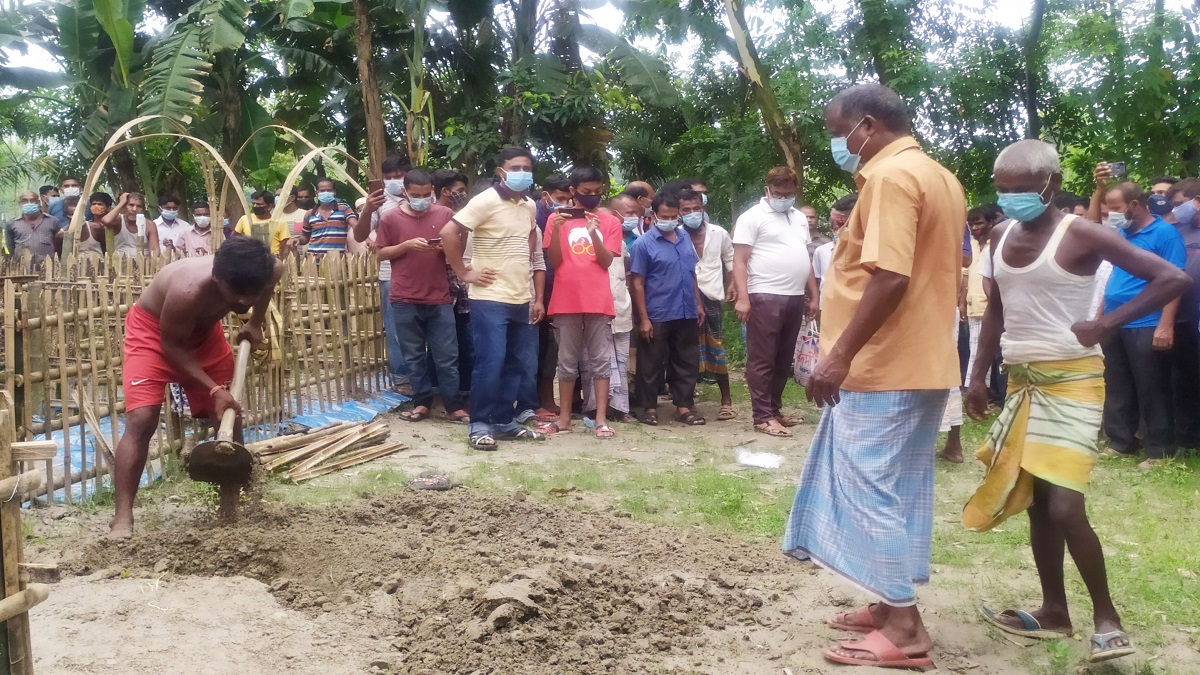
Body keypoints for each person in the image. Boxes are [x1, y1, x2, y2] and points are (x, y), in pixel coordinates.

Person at [965, 139, 1190, 664]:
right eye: (1003, 190)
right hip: (1022, 380)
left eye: (1022, 190)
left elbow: (1172, 276)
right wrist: (977, 376)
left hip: (1073, 380)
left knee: (1065, 504)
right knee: (1039, 503)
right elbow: (996, 311)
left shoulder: (1081, 232)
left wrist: (1106, 323)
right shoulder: (998, 235)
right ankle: (1054, 611)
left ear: (1050, 185)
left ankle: (1107, 618)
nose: (1011, 199)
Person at [783, 83, 965, 669]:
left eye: (839, 131)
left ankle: (907, 630)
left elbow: (889, 277)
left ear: (866, 125)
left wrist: (837, 357)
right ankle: (890, 607)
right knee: (900, 488)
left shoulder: (890, 178)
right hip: (922, 359)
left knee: (870, 492)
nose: (838, 142)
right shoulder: (937, 174)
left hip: (885, 365)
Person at [110, 237, 284, 537]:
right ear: (217, 276)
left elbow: (265, 288)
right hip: (155, 336)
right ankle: (122, 517)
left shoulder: (270, 269)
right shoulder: (187, 290)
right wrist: (214, 388)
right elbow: (171, 346)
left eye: (250, 294)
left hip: (205, 335)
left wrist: (255, 322)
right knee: (142, 419)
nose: (243, 301)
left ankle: (233, 502)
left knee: (228, 414)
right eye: (236, 293)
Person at [441, 146, 546, 450]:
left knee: (515, 363)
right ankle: (480, 424)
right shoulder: (485, 200)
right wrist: (463, 272)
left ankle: (503, 420)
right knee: (490, 361)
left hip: (520, 295)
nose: (521, 173)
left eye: (525, 167)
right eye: (514, 168)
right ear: (501, 172)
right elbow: (449, 232)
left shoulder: (528, 205)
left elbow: (529, 237)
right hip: (489, 297)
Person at [1099, 182, 1186, 468]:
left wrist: (1165, 324)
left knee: (1152, 385)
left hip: (1146, 320)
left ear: (1134, 205)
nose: (1111, 214)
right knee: (1118, 383)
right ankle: (1121, 442)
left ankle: (1160, 450)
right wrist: (1101, 315)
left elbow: (1176, 281)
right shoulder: (1121, 235)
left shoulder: (1164, 233)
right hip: (1115, 320)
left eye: (1115, 208)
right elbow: (1113, 277)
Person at [375, 169, 468, 424]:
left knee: (447, 356)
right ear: (405, 192)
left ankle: (453, 406)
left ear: (433, 191)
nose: (422, 199)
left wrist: (444, 246)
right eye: (416, 195)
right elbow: (381, 253)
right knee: (413, 356)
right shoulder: (390, 218)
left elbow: (458, 248)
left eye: (427, 194)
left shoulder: (445, 214)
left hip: (439, 296)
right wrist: (406, 246)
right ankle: (422, 403)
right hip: (404, 296)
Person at [732, 166, 817, 438]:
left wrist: (813, 294)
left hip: (794, 296)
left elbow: (805, 257)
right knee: (762, 358)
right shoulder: (752, 217)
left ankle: (775, 409)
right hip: (764, 294)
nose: (784, 198)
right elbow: (740, 260)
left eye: (789, 193)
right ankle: (762, 416)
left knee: (783, 359)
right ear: (767, 190)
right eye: (779, 193)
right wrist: (743, 299)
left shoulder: (799, 218)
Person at [539, 166, 622, 438]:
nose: (593, 197)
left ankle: (600, 418)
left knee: (600, 360)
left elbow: (606, 260)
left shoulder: (610, 222)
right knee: (566, 361)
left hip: (598, 300)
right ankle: (564, 418)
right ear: (573, 191)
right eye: (587, 192)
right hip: (565, 300)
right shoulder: (556, 219)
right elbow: (555, 260)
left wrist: (593, 233)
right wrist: (556, 231)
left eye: (598, 192)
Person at [629, 193, 705, 426]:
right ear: (654, 215)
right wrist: (643, 319)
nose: (669, 220)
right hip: (657, 312)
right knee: (650, 363)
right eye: (665, 216)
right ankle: (648, 407)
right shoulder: (644, 244)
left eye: (674, 216)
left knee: (686, 360)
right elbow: (637, 282)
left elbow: (691, 274)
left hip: (686, 310)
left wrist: (698, 304)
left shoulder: (684, 238)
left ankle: (684, 406)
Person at [353, 156, 413, 396]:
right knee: (396, 328)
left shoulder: (425, 197)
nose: (392, 181)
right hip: (391, 273)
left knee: (424, 329)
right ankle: (401, 378)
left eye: (398, 176)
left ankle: (424, 377)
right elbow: (359, 235)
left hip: (426, 274)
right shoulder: (381, 203)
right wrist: (368, 209)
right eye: (387, 177)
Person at [681, 187, 736, 421]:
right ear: (679, 212)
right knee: (687, 350)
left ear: (702, 209)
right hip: (684, 298)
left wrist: (732, 284)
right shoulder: (676, 234)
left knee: (716, 347)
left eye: (696, 208)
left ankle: (726, 401)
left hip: (712, 297)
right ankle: (687, 402)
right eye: (686, 210)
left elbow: (730, 258)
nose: (692, 213)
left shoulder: (719, 233)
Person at [532, 173, 573, 421]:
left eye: (569, 199)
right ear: (546, 195)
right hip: (539, 291)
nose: (565, 203)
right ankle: (538, 400)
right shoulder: (535, 216)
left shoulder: (567, 217)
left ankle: (546, 399)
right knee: (538, 349)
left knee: (551, 349)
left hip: (558, 290)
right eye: (560, 198)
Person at [1164, 177, 1200, 451]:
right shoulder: (1176, 232)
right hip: (1183, 320)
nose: (1175, 209)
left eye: (1179, 204)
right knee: (1184, 383)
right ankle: (1187, 442)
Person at [432, 169, 473, 397]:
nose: (463, 195)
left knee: (465, 343)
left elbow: (463, 245)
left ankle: (462, 392)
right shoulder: (436, 214)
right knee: (442, 345)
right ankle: (440, 393)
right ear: (445, 191)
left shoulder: (462, 214)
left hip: (459, 288)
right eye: (459, 191)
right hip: (441, 286)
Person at [301, 177, 359, 257]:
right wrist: (297, 240)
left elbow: (356, 226)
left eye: (329, 190)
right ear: (316, 193)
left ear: (334, 192)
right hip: (314, 261)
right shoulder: (309, 214)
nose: (326, 193)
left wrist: (367, 239)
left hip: (337, 260)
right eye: (322, 191)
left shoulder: (344, 208)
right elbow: (305, 237)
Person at [812, 193, 857, 295]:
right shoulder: (823, 251)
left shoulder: (870, 252)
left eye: (842, 224)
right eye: (836, 227)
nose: (839, 230)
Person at [5, 190, 63, 261]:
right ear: (20, 203)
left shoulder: (53, 221)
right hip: (22, 268)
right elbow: (11, 247)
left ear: (38, 202)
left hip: (48, 267)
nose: (29, 203)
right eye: (24, 201)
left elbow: (58, 243)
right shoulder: (12, 224)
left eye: (32, 200)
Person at [235, 191, 290, 257]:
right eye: (253, 203)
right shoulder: (244, 219)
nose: (255, 206)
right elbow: (234, 239)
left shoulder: (280, 222)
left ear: (269, 206)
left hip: (272, 260)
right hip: (249, 260)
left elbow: (285, 247)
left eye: (259, 204)